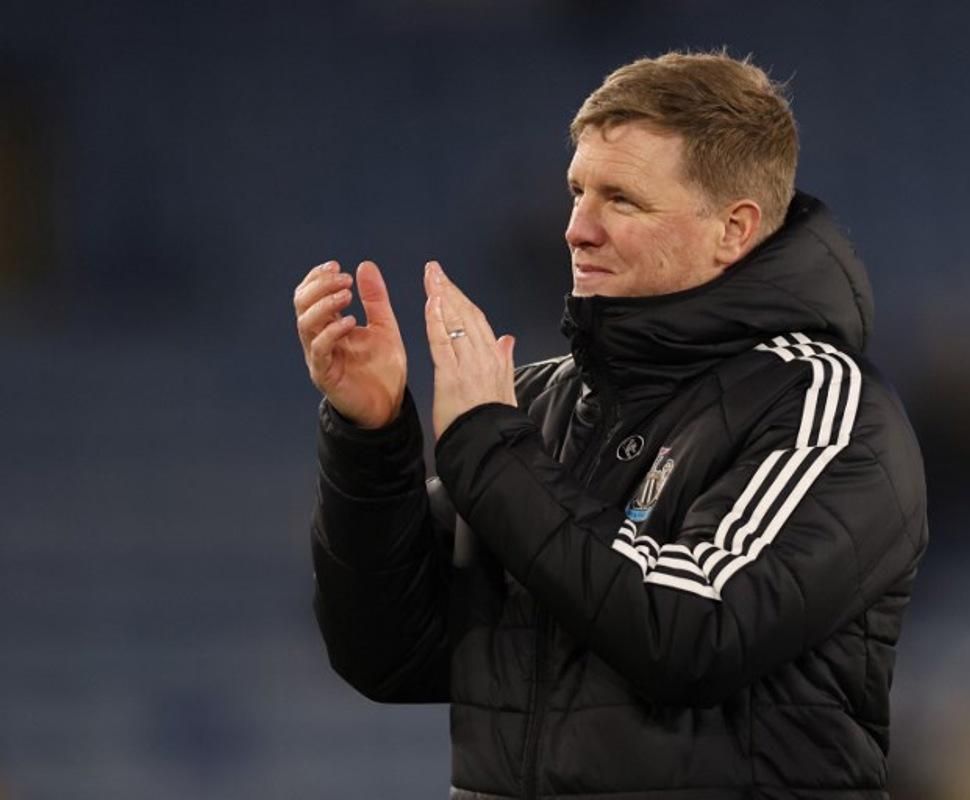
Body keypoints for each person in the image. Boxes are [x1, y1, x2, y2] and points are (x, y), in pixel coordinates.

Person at [294, 51, 928, 800]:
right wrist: (370, 439)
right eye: (576, 191)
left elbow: (696, 632)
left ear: (733, 229)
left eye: (621, 200)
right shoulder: (539, 410)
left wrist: (488, 448)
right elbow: (388, 655)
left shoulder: (825, 407)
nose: (575, 230)